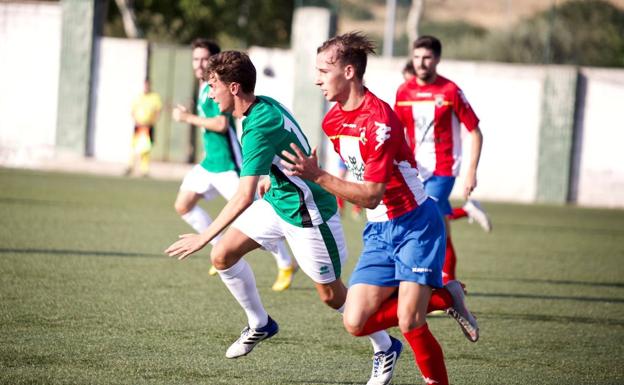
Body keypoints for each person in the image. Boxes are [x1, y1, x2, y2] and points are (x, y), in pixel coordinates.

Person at [165, 51, 396, 379]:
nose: (209, 92)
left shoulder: (256, 126)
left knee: (332, 297)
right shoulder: (263, 105)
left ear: (233, 88)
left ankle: (385, 345)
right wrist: (270, 179)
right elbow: (279, 153)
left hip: (309, 215)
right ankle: (260, 323)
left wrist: (203, 236)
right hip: (278, 202)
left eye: (213, 85)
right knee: (223, 255)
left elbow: (242, 197)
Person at [281, 32, 479, 385]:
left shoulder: (380, 121)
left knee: (409, 321)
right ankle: (446, 296)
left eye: (324, 71)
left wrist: (318, 176)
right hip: (378, 232)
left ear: (350, 71)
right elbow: (362, 185)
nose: (316, 79)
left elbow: (372, 193)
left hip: (415, 225)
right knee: (355, 322)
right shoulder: (333, 122)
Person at [172, 39, 294, 291]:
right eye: (195, 59)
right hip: (209, 164)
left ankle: (285, 262)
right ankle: (218, 246)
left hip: (229, 164)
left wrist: (187, 118)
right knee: (183, 205)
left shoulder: (221, 90)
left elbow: (220, 125)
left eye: (204, 59)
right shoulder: (206, 89)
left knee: (254, 216)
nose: (199, 64)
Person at [394, 35, 491, 285]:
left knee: (427, 220)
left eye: (426, 57)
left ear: (437, 59)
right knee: (437, 225)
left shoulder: (450, 91)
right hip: (415, 170)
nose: (421, 63)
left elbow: (475, 131)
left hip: (443, 169)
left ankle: (430, 281)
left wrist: (471, 171)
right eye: (416, 57)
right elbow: (397, 133)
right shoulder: (404, 92)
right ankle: (449, 282)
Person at [126, 79, 162, 177]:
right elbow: (132, 111)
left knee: (146, 148)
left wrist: (151, 122)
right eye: (145, 85)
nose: (146, 87)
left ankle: (144, 170)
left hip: (148, 127)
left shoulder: (155, 97)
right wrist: (136, 121)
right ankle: (130, 166)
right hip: (138, 126)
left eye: (148, 85)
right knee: (134, 146)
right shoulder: (138, 97)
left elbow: (158, 112)